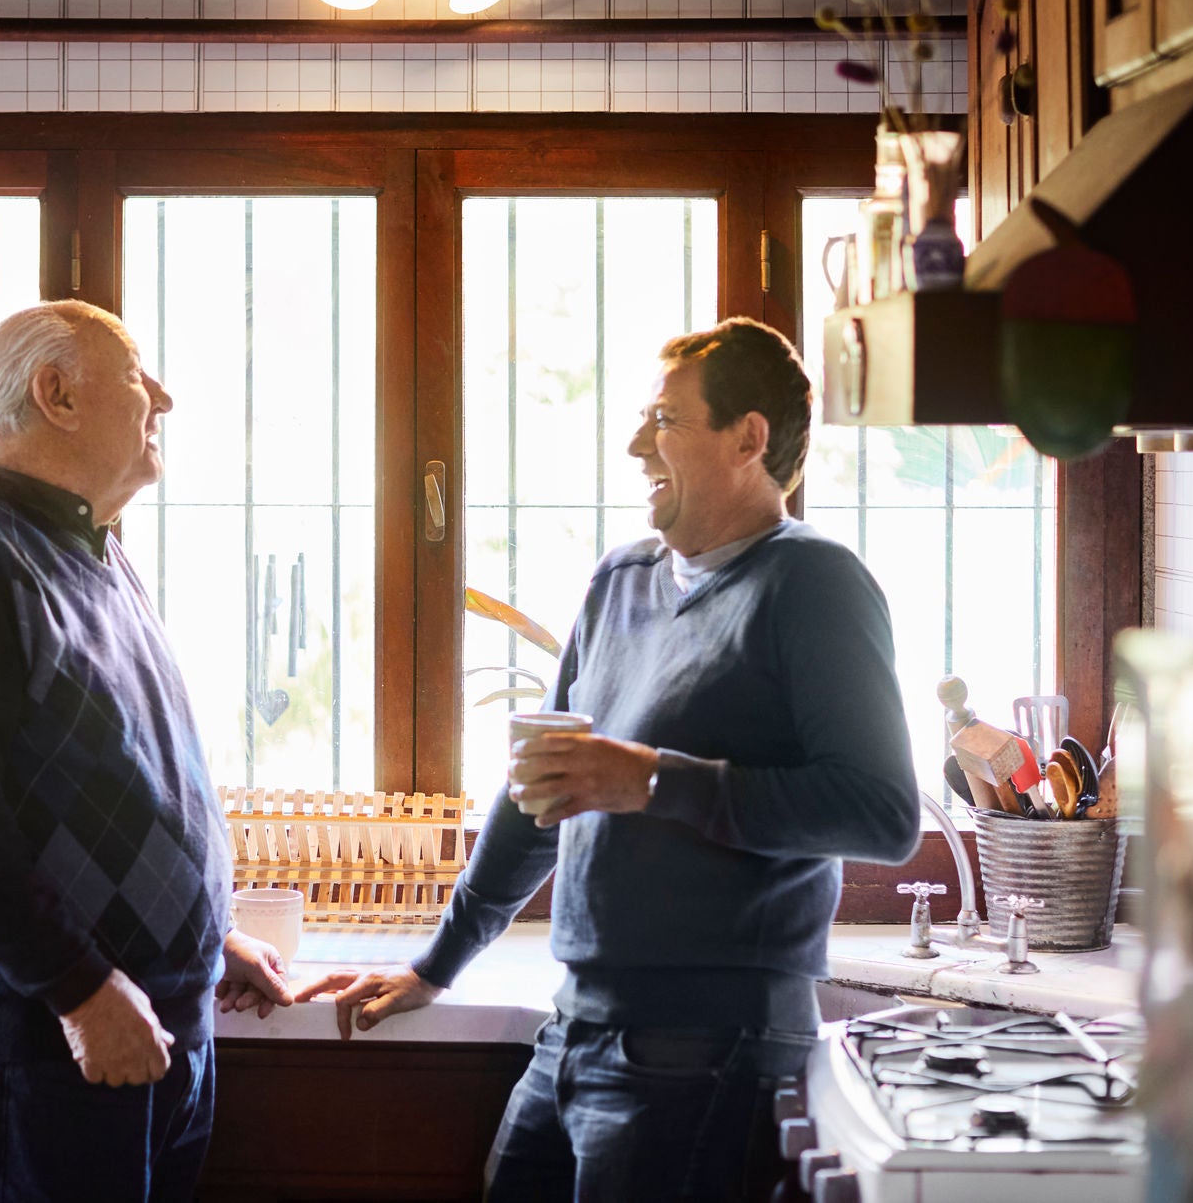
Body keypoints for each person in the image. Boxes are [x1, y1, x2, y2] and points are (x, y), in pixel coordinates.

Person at [297, 318, 921, 1201]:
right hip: (577, 1028)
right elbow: (538, 794)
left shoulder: (813, 583)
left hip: (712, 1045)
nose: (636, 445)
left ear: (750, 438)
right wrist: (437, 962)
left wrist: (654, 779)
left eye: (665, 420)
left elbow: (882, 814)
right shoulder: (621, 578)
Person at [0, 299, 292, 1203]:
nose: (164, 398)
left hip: (146, 1024)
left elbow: (107, 775)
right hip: (46, 1048)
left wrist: (208, 940)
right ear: (55, 393)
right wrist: (83, 990)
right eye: (138, 376)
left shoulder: (88, 544)